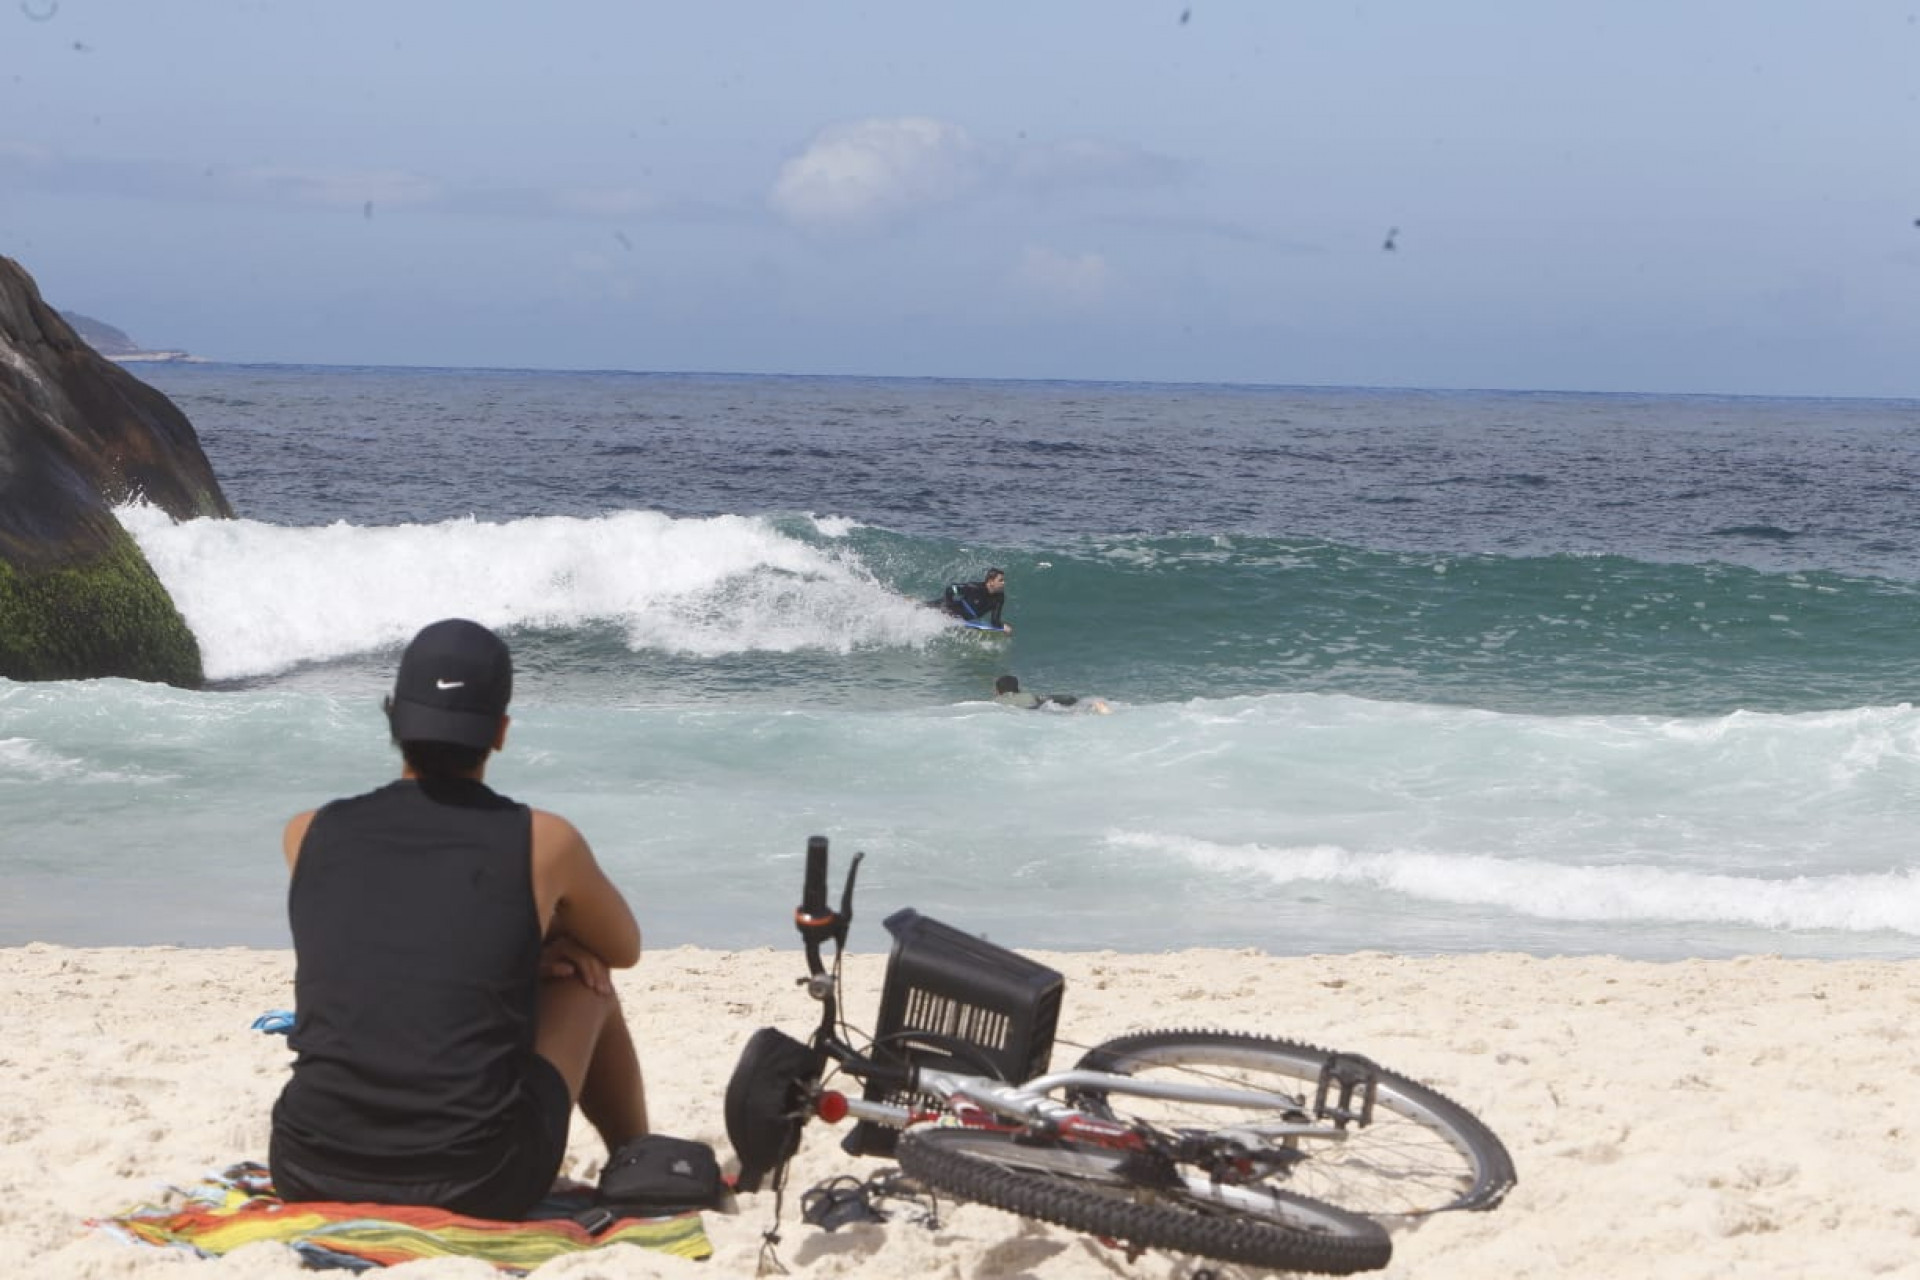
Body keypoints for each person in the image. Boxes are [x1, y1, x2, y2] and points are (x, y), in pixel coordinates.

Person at [269, 618, 649, 1219]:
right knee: (588, 975)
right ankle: (635, 1155)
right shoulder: (543, 842)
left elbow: (399, 933)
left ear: (393, 718)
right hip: (478, 1179)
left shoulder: (307, 833)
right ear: (500, 733)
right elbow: (623, 946)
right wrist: (536, 944)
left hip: (307, 1165)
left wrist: (518, 949)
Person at [934, 567, 1010, 631]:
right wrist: (947, 609)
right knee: (923, 608)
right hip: (941, 607)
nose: (1004, 583)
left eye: (1003, 580)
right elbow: (950, 589)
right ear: (991, 582)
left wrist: (1002, 626)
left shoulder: (999, 598)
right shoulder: (974, 588)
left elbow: (994, 621)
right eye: (1000, 580)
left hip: (962, 618)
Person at [993, 674, 1110, 714]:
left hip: (1032, 714)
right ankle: (1096, 706)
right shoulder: (1028, 696)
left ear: (998, 691)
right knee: (1071, 710)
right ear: (1017, 688)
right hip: (1038, 708)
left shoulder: (997, 703)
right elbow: (1066, 699)